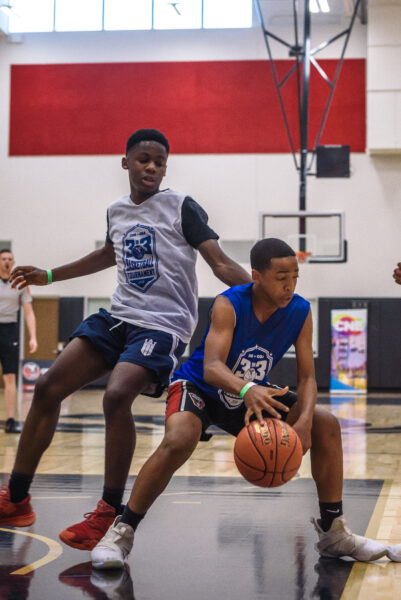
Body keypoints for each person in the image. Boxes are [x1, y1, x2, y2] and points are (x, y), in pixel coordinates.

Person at [0, 129, 250, 549]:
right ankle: (18, 497)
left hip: (163, 324)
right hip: (119, 316)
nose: (151, 167)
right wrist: (49, 275)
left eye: (159, 162)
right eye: (144, 159)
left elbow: (219, 262)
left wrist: (267, 300)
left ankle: (108, 511)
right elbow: (107, 254)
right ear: (126, 162)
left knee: (116, 396)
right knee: (47, 387)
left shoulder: (180, 207)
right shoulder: (117, 211)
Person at [91, 238, 389, 570]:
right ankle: (121, 531)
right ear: (257, 276)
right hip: (200, 386)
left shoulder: (301, 310)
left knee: (325, 424)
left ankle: (334, 533)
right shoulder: (228, 303)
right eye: (280, 277)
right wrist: (248, 388)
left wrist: (303, 423)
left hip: (247, 393)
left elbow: (307, 378)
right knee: (179, 439)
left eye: (294, 276)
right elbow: (213, 367)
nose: (289, 285)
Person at [0, 249, 38, 433]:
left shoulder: (21, 283)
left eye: (9, 259)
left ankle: (10, 420)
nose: (6, 261)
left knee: (10, 377)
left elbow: (29, 312)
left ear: (13, 261)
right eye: (3, 259)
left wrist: (33, 337)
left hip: (9, 330)